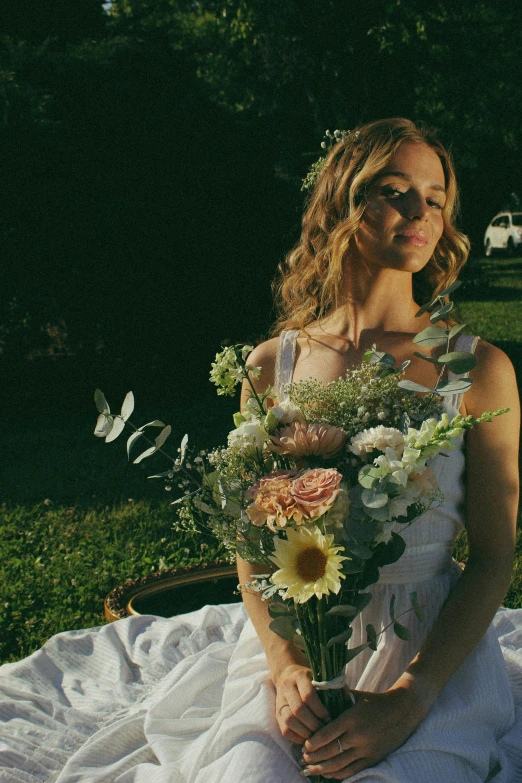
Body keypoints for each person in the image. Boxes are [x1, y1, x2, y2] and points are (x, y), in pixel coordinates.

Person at [0, 118, 521, 783]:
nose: (420, 212)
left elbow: (493, 555)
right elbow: (253, 547)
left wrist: (411, 697)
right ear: (343, 202)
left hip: (426, 657)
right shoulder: (275, 365)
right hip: (294, 651)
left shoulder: (475, 369)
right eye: (394, 191)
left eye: (436, 197)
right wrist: (285, 667)